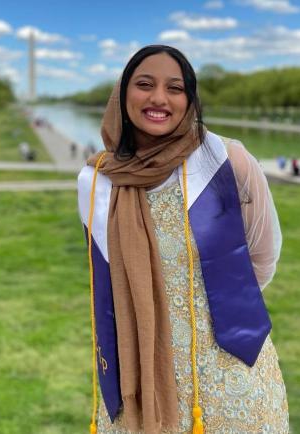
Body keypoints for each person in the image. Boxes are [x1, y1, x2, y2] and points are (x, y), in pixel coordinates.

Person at [77, 45, 289, 434]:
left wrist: (214, 313)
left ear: (190, 98)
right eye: (144, 84)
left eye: (175, 88)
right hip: (139, 371)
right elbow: (109, 283)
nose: (159, 98)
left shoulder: (226, 160)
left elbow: (262, 257)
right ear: (122, 95)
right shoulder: (96, 182)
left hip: (228, 370)